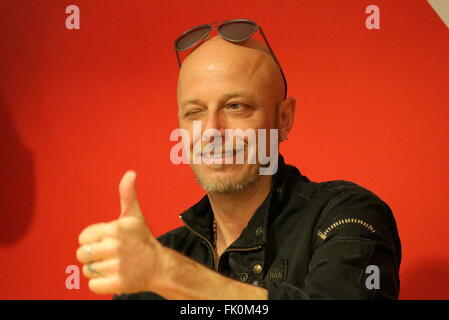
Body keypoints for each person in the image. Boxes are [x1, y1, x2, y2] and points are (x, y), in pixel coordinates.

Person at [76, 19, 401, 299]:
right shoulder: (157, 261)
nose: (212, 131)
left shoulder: (347, 216)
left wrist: (175, 277)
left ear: (283, 118)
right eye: (195, 112)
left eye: (236, 107)